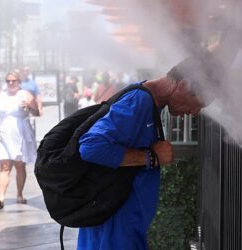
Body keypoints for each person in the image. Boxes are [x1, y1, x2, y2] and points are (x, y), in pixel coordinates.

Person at [76, 51, 220, 250]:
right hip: (114, 232)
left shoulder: (150, 103)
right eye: (198, 104)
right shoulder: (139, 102)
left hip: (123, 230)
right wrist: (151, 157)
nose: (195, 113)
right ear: (184, 85)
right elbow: (90, 147)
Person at [0, 72, 39, 209]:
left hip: (20, 133)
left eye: (14, 81)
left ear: (19, 82)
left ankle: (19, 194)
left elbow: (37, 112)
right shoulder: (1, 95)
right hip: (4, 133)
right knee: (4, 165)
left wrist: (30, 106)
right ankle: (0, 196)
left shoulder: (25, 94)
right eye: (8, 81)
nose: (11, 83)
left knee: (19, 165)